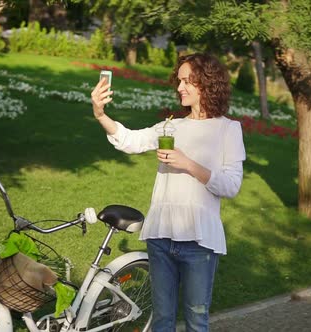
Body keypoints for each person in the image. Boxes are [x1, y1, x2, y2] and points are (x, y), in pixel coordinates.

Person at [90, 53, 246, 332]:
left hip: (199, 242)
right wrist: (101, 114)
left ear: (207, 84)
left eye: (188, 81)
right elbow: (130, 140)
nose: (180, 87)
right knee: (162, 319)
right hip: (161, 237)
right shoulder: (172, 125)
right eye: (179, 80)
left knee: (197, 320)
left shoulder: (228, 129)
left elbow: (231, 185)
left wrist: (188, 164)